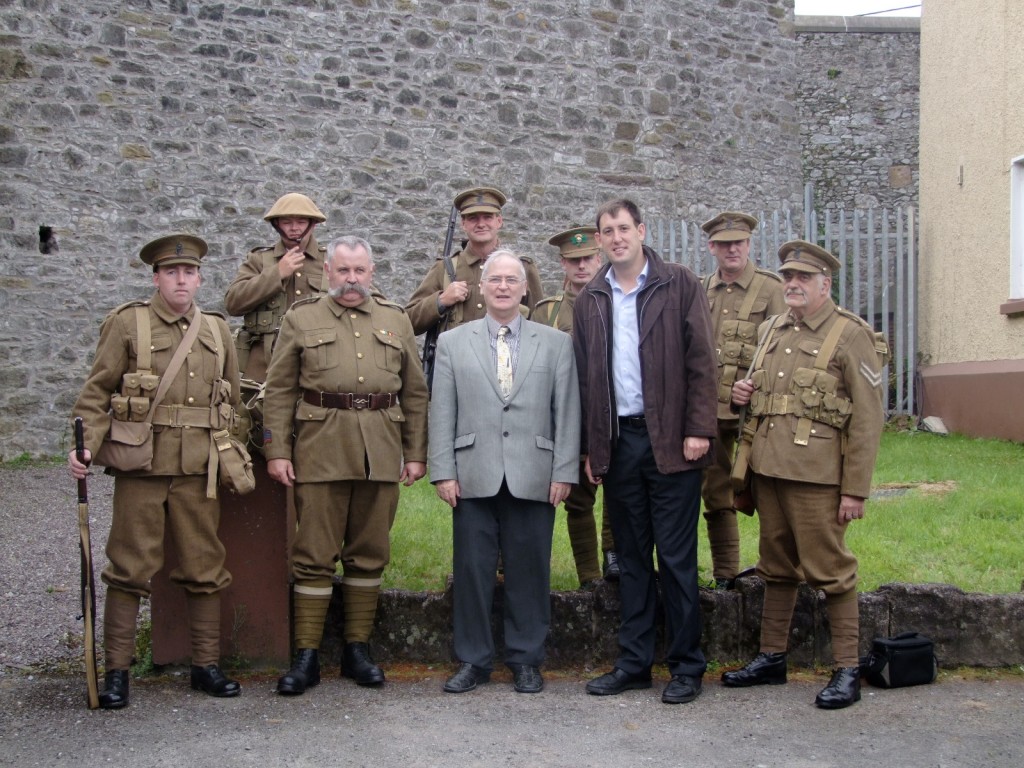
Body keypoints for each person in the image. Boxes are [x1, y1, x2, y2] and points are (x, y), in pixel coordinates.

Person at [68, 234, 242, 709]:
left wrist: (234, 453)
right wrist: (82, 447)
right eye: (171, 272)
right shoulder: (128, 324)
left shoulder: (216, 330)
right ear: (156, 277)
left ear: (200, 278)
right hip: (141, 466)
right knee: (128, 568)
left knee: (205, 565)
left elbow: (233, 402)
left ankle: (206, 666)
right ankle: (118, 673)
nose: (181, 280)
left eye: (189, 273)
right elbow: (97, 391)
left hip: (197, 470)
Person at [721, 240, 885, 710]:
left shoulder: (850, 335)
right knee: (776, 566)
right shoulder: (773, 328)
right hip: (769, 469)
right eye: (788, 277)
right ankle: (772, 658)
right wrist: (740, 392)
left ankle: (847, 667)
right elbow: (759, 400)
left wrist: (855, 489)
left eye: (803, 279)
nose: (792, 284)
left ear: (825, 285)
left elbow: (868, 420)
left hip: (817, 478)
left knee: (830, 570)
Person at [262, 235, 428, 695]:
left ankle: (358, 649)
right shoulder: (301, 318)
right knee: (313, 554)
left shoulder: (395, 319)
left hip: (380, 447)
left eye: (360, 271)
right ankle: (307, 655)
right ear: (327, 273)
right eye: (343, 271)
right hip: (319, 449)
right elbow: (278, 390)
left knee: (369, 551)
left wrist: (415, 453)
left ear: (371, 273)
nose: (351, 280)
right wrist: (276, 450)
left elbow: (414, 393)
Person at [574, 199, 718, 705]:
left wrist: (699, 427)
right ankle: (634, 663)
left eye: (624, 228)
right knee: (631, 559)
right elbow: (588, 382)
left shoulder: (678, 284)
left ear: (641, 231)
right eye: (607, 231)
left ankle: (685, 666)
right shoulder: (591, 298)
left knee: (676, 558)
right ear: (599, 240)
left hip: (674, 441)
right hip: (619, 443)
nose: (616, 238)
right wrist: (593, 449)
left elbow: (702, 360)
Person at [429, 249, 580, 695]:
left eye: (511, 280)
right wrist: (442, 470)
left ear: (524, 288)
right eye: (494, 279)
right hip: (472, 471)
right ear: (481, 287)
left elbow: (566, 410)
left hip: (535, 471)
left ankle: (526, 658)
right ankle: (473, 660)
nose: (502, 287)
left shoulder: (555, 343)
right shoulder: (455, 342)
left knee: (530, 569)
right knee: (473, 571)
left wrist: (564, 470)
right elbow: (443, 410)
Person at [699, 212, 786, 588]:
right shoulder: (701, 290)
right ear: (712, 248)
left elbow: (785, 351)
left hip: (757, 412)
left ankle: (778, 572)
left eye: (739, 242)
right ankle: (726, 576)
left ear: (749, 245)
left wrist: (756, 387)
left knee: (769, 491)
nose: (732, 249)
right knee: (715, 491)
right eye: (724, 243)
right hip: (711, 412)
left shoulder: (771, 289)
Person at [531, 226, 618, 588]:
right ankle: (590, 577)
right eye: (573, 260)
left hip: (614, 416)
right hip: (570, 418)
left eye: (588, 259)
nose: (581, 266)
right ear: (562, 264)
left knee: (619, 495)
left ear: (599, 258)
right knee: (579, 500)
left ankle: (616, 564)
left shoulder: (620, 302)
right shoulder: (546, 312)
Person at [404, 187, 544, 336]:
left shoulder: (523, 267)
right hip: (457, 358)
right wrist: (441, 301)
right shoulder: (445, 269)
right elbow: (407, 323)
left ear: (499, 221)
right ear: (463, 224)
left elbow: (540, 325)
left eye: (488, 217)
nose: (481, 224)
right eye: (473, 218)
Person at [224, 192, 328, 382]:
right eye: (287, 222)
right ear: (277, 225)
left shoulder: (332, 261)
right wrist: (276, 274)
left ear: (312, 224)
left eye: (301, 222)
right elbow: (233, 303)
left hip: (318, 364)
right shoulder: (259, 260)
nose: (294, 228)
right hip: (264, 368)